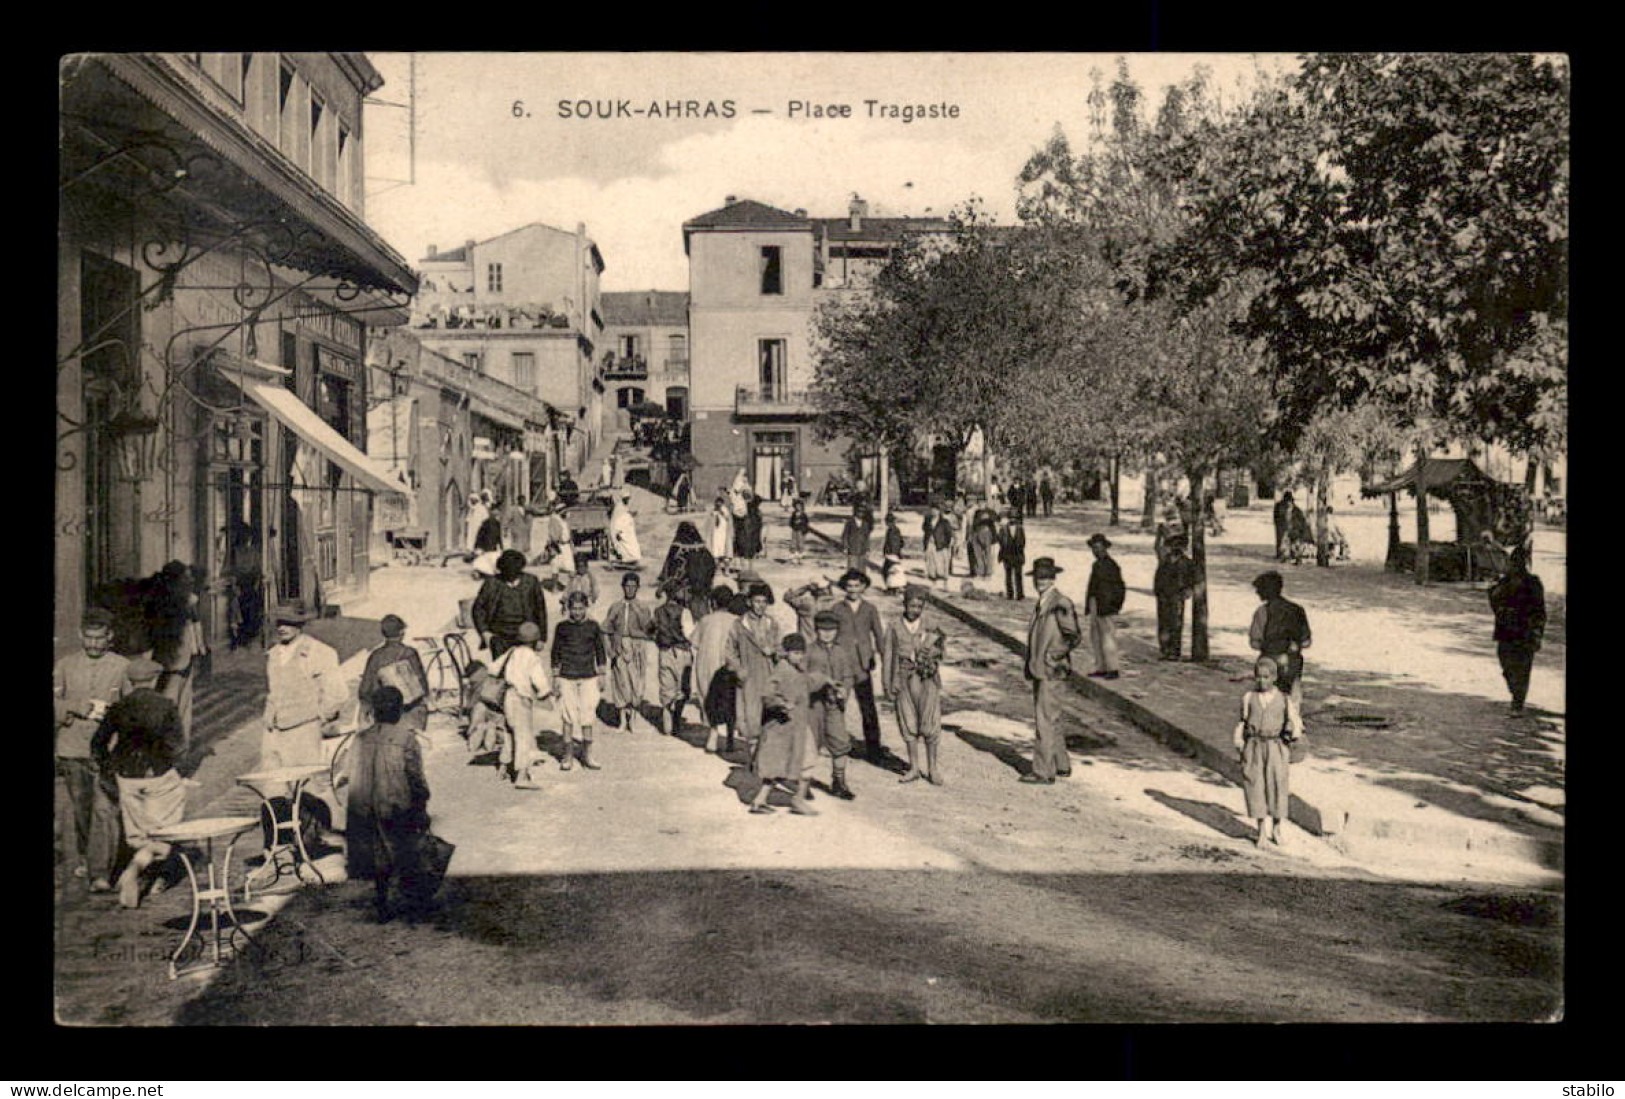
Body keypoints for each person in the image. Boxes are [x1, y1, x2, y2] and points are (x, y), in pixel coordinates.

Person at [94, 656, 187, 908]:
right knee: (165, 830)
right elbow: (178, 745)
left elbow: (98, 744)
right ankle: (144, 871)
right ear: (156, 679)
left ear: (130, 681)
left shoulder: (118, 707)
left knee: (137, 833)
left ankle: (138, 864)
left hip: (127, 776)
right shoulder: (166, 705)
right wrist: (173, 766)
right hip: (158, 775)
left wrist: (110, 769)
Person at [55, 608, 132, 892]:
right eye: (89, 638)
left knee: (105, 809)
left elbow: (129, 706)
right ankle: (89, 857)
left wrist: (113, 715)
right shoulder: (65, 665)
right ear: (80, 636)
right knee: (81, 809)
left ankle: (102, 870)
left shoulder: (122, 666)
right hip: (72, 747)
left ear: (110, 637)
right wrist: (74, 707)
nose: (94, 644)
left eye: (100, 638)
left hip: (106, 750)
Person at [346, 685, 433, 921]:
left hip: (365, 806)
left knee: (378, 856)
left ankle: (382, 900)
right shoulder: (407, 739)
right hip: (396, 804)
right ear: (399, 711)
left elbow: (348, 773)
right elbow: (415, 776)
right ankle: (412, 902)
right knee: (406, 851)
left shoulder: (360, 739)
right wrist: (422, 802)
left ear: (374, 712)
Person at [1231, 656, 1303, 847]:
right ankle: (1261, 831)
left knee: (1277, 786)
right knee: (1255, 786)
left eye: (1266, 677)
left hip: (1276, 747)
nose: (1262, 681)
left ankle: (1277, 828)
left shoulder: (1284, 700)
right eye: (1258, 677)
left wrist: (1290, 737)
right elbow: (1242, 723)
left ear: (1274, 678)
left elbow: (1295, 724)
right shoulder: (1248, 698)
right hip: (1254, 746)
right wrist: (1240, 744)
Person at [1022, 557, 1081, 784]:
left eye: (1045, 577)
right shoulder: (1045, 601)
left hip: (1051, 669)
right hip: (1044, 668)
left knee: (1044, 719)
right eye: (1037, 577)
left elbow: (1074, 635)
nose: (1040, 581)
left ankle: (1043, 771)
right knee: (1052, 717)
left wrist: (1054, 655)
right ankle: (1061, 763)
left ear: (1053, 578)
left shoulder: (1060, 602)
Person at [748, 634, 818, 816]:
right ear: (786, 653)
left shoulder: (797, 669)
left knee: (793, 762)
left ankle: (760, 801)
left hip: (797, 726)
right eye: (795, 653)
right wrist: (781, 704)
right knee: (796, 762)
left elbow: (809, 682)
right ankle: (797, 800)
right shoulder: (782, 670)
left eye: (802, 653)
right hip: (784, 726)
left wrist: (827, 681)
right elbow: (767, 694)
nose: (799, 656)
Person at [885, 585, 948, 786]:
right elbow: (888, 656)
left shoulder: (931, 625)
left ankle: (933, 769)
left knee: (929, 723)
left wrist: (933, 654)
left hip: (927, 679)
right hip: (904, 677)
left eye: (919, 606)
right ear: (904, 605)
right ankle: (913, 767)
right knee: (908, 722)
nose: (915, 610)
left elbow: (941, 650)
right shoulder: (894, 626)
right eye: (911, 606)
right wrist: (888, 683)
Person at [147, 560, 204, 750]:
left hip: (185, 660)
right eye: (186, 578)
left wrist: (199, 649)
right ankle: (168, 755)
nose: (190, 581)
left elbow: (195, 624)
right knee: (170, 708)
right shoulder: (163, 604)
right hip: (170, 664)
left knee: (184, 708)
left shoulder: (188, 600)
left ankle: (180, 752)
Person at [833, 568, 888, 765]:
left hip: (863, 665)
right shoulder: (837, 609)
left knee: (868, 707)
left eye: (857, 586)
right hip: (843, 665)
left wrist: (885, 658)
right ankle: (835, 744)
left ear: (864, 587)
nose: (853, 589)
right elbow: (829, 635)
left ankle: (874, 749)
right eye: (849, 586)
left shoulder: (870, 608)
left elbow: (879, 635)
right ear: (844, 587)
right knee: (838, 704)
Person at [550, 591, 608, 771]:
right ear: (568, 609)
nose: (576, 612)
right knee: (567, 717)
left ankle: (587, 755)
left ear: (586, 608)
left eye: (580, 608)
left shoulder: (593, 626)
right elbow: (555, 653)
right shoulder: (562, 627)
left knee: (587, 716)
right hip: (567, 677)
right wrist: (556, 678)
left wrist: (602, 675)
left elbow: (600, 651)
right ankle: (567, 756)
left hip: (589, 677)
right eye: (573, 609)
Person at [806, 610, 861, 801]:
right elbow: (802, 678)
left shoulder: (841, 652)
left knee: (840, 742)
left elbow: (848, 676)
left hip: (834, 704)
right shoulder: (809, 651)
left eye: (831, 630)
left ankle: (839, 781)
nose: (827, 633)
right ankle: (802, 783)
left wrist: (844, 691)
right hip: (813, 704)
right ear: (816, 630)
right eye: (822, 629)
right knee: (810, 742)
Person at [1488, 546, 1546, 717]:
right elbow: (1494, 604)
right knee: (1506, 664)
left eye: (1517, 563)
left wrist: (1537, 632)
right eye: (1513, 563)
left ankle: (1518, 701)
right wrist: (1491, 590)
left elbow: (1539, 610)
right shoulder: (1504, 582)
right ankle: (1516, 694)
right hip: (1505, 630)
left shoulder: (1533, 582)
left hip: (1525, 630)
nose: (1514, 566)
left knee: (1522, 667)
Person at [725, 582, 781, 755]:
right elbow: (729, 652)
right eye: (757, 601)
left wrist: (774, 651)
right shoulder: (739, 624)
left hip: (769, 673)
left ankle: (765, 757)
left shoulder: (772, 623)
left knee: (770, 715)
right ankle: (753, 757)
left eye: (764, 602)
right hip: (748, 676)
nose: (760, 606)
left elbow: (781, 648)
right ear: (749, 602)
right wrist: (738, 669)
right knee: (751, 716)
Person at [497, 621, 551, 788]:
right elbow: (539, 679)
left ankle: (503, 767)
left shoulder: (512, 652)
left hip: (507, 696)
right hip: (521, 698)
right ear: (535, 641)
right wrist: (545, 692)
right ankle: (522, 775)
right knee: (523, 736)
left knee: (509, 732)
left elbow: (494, 668)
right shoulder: (532, 657)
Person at [1247, 571, 1313, 705]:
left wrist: (1270, 646)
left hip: (1268, 661)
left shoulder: (1262, 612)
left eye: (1259, 589)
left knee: (1266, 700)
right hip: (1293, 662)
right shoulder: (1297, 610)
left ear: (1266, 591)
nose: (1257, 593)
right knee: (1291, 700)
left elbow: (1254, 642)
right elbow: (1306, 642)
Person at [472, 549, 550, 660]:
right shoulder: (492, 583)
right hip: (500, 637)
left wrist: (542, 638)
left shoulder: (531, 582)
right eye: (507, 571)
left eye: (515, 571)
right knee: (503, 670)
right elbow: (478, 609)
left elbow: (540, 610)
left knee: (523, 669)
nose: (511, 574)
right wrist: (485, 632)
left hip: (525, 635)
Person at [359, 615, 431, 734]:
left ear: (383, 633)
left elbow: (365, 690)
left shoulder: (375, 656)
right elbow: (423, 686)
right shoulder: (410, 653)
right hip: (412, 715)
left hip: (386, 718)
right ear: (402, 632)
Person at [694, 585, 743, 753]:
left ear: (713, 602)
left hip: (708, 664)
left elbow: (694, 642)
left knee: (710, 699)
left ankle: (713, 735)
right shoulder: (737, 621)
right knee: (731, 700)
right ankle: (730, 738)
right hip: (728, 667)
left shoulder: (705, 620)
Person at [605, 572, 655, 731]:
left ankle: (632, 717)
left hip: (637, 646)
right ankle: (621, 719)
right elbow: (605, 629)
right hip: (620, 644)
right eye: (627, 586)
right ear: (622, 587)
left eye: (633, 587)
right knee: (620, 682)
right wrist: (609, 649)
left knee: (636, 682)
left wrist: (638, 612)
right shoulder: (615, 606)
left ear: (638, 588)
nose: (630, 590)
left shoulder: (643, 607)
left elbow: (649, 629)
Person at [651, 583, 696, 735]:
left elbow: (650, 630)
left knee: (666, 687)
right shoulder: (685, 612)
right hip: (681, 652)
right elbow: (690, 634)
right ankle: (676, 719)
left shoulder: (658, 611)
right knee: (683, 688)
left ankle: (667, 723)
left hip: (664, 651)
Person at [1084, 534, 1125, 679]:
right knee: (1096, 637)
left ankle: (1113, 668)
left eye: (1098, 548)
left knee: (1108, 637)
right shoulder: (1097, 564)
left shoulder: (1111, 565)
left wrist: (1115, 606)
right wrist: (1089, 605)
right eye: (1094, 548)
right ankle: (1101, 666)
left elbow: (1120, 587)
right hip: (1096, 603)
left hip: (1106, 606)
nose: (1095, 551)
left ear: (1105, 548)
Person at [1153, 532, 1198, 661]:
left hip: (1177, 596)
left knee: (1175, 623)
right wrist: (1159, 533)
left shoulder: (1187, 563)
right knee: (1163, 622)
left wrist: (1188, 591)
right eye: (1174, 545)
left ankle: (1174, 651)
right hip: (1163, 595)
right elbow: (1157, 547)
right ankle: (1164, 649)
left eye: (1180, 546)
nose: (1176, 548)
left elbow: (1192, 580)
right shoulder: (1164, 559)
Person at [659, 520, 718, 618]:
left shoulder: (678, 549)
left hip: (683, 596)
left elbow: (671, 571)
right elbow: (712, 567)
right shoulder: (704, 550)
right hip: (702, 594)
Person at [785, 577, 841, 647]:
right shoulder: (834, 603)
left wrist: (805, 588)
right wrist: (834, 583)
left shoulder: (805, 603)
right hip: (826, 643)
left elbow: (788, 597)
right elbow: (850, 593)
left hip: (807, 642)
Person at [999, 510, 1027, 601]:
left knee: (1018, 575)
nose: (1013, 520)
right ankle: (1010, 593)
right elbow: (1000, 541)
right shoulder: (1003, 529)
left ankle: (1020, 594)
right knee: (1008, 576)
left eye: (1014, 518)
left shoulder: (1020, 528)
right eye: (1011, 518)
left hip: (1017, 555)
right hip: (1007, 554)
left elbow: (1023, 542)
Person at [608, 492, 642, 567]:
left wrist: (632, 514)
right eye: (626, 499)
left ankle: (633, 559)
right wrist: (618, 532)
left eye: (628, 499)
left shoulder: (624, 506)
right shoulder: (619, 508)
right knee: (626, 545)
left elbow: (627, 514)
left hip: (628, 532)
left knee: (633, 544)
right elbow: (616, 521)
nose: (627, 500)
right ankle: (627, 559)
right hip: (621, 532)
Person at [926, 507, 955, 592]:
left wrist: (948, 543)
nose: (933, 512)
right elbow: (925, 531)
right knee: (931, 565)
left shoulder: (944, 522)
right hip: (931, 545)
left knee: (943, 565)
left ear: (939, 511)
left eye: (936, 510)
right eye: (932, 510)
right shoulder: (928, 521)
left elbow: (949, 534)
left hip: (941, 546)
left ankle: (945, 585)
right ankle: (933, 584)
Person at [841, 502, 871, 573]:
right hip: (852, 549)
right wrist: (845, 547)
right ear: (855, 512)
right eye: (859, 512)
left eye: (863, 512)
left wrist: (867, 549)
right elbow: (845, 535)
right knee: (852, 569)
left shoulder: (865, 524)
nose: (861, 514)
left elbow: (867, 537)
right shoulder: (850, 523)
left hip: (862, 550)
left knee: (862, 570)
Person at [881, 512, 907, 593]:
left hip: (892, 554)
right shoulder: (895, 529)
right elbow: (902, 542)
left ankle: (892, 588)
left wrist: (891, 553)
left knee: (888, 571)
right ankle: (894, 587)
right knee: (892, 571)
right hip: (894, 554)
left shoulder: (892, 530)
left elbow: (894, 543)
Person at [708, 493, 734, 569]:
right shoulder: (713, 511)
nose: (718, 505)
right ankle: (717, 568)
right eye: (717, 503)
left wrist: (721, 513)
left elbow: (728, 519)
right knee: (716, 552)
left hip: (724, 535)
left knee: (726, 553)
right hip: (716, 536)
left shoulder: (725, 511)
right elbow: (710, 523)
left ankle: (726, 569)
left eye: (720, 504)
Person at [738, 494, 765, 563]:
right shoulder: (750, 507)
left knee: (754, 539)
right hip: (751, 526)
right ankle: (749, 554)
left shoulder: (755, 508)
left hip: (755, 526)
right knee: (750, 540)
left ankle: (751, 553)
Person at [788, 496, 811, 564]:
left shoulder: (804, 515)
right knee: (793, 542)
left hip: (801, 530)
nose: (797, 507)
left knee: (800, 543)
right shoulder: (794, 514)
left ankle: (800, 558)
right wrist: (792, 525)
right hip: (795, 530)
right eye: (796, 506)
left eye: (799, 506)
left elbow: (806, 522)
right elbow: (791, 521)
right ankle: (794, 556)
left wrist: (804, 529)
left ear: (802, 507)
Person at [1273, 491, 1293, 562]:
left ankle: (1281, 554)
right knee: (1282, 539)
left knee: (1281, 539)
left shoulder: (1279, 504)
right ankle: (1282, 554)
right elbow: (1276, 515)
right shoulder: (1288, 505)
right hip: (1283, 524)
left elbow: (1275, 515)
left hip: (1282, 525)